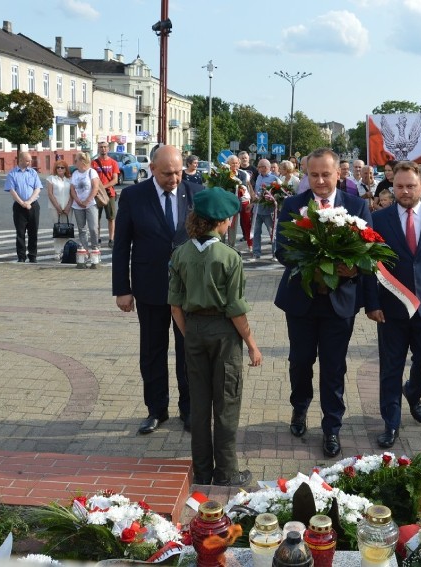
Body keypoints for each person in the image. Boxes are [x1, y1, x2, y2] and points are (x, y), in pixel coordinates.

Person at [274, 148, 372, 458]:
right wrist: (311, 265)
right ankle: (299, 408)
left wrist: (352, 267)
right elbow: (282, 250)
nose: (319, 180)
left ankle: (332, 427)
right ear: (306, 174)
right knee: (301, 361)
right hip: (301, 301)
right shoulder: (292, 205)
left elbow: (369, 248)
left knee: (334, 367)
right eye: (313, 174)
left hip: (339, 303)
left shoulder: (356, 206)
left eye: (325, 174)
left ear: (338, 174)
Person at [169, 187, 262, 487]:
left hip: (193, 329)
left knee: (199, 403)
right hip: (223, 333)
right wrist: (251, 345)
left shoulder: (180, 253)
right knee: (227, 402)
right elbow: (235, 309)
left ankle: (202, 470)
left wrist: (190, 334)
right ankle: (227, 472)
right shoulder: (228, 257)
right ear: (223, 221)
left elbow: (175, 304)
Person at [364, 161, 421, 449]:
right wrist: (371, 302)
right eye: (399, 186)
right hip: (390, 309)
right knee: (390, 368)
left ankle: (414, 395)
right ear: (392, 187)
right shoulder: (379, 220)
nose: (404, 191)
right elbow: (369, 264)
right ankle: (391, 424)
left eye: (410, 186)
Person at [112, 145, 197, 434]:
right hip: (150, 288)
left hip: (189, 291)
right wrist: (122, 289)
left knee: (189, 351)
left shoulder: (196, 193)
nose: (174, 178)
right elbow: (122, 245)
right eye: (167, 173)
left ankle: (190, 410)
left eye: (178, 172)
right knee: (152, 351)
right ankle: (156, 410)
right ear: (152, 169)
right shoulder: (134, 196)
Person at [4, 152, 42, 263]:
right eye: (27, 161)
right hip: (19, 206)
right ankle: (21, 256)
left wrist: (29, 201)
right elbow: (12, 190)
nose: (30, 163)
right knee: (20, 232)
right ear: (20, 160)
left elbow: (38, 188)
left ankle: (32, 255)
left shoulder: (33, 173)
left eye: (30, 160)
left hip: (33, 205)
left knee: (33, 232)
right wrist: (22, 203)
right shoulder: (12, 174)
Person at [70, 152, 103, 261]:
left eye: (76, 160)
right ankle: (85, 251)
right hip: (77, 205)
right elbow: (72, 189)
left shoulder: (91, 172)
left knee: (93, 228)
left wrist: (87, 200)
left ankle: (95, 249)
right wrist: (78, 201)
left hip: (91, 204)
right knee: (82, 229)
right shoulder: (75, 174)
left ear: (82, 161)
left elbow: (95, 187)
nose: (75, 162)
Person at [251, 158, 279, 261]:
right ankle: (256, 253)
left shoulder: (274, 178)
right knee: (256, 232)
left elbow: (277, 194)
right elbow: (256, 192)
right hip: (257, 210)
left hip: (268, 211)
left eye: (259, 167)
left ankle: (275, 254)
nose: (258, 169)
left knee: (272, 233)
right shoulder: (258, 177)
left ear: (265, 167)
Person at [92, 142, 120, 248]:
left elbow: (115, 180)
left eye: (105, 147)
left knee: (111, 218)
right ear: (98, 149)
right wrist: (98, 189)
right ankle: (97, 239)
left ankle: (111, 239)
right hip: (97, 194)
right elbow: (92, 179)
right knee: (96, 218)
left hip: (109, 194)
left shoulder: (113, 163)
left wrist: (103, 187)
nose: (103, 149)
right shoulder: (94, 163)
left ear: (108, 149)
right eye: (101, 147)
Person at [46, 160, 73, 261]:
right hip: (54, 208)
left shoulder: (69, 180)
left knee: (67, 230)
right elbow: (50, 193)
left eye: (62, 167)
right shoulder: (51, 179)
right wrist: (57, 207)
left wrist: (68, 206)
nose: (60, 169)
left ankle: (66, 251)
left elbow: (72, 194)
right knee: (58, 230)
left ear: (66, 169)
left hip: (68, 208)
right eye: (58, 167)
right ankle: (57, 251)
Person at [226, 154, 254, 247]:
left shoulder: (243, 173)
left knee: (246, 223)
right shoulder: (224, 173)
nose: (235, 165)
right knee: (231, 224)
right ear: (228, 164)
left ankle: (250, 244)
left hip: (243, 200)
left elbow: (244, 185)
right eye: (233, 163)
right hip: (230, 202)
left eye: (237, 163)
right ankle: (230, 244)